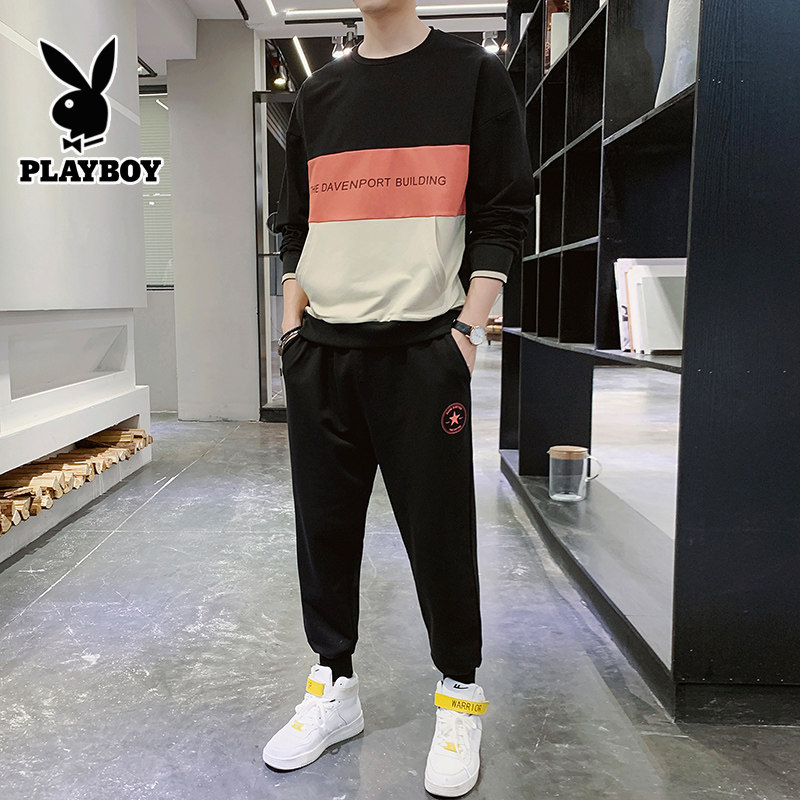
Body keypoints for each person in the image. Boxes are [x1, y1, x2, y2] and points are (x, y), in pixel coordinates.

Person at [262, 1, 534, 795]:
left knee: (440, 532)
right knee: (323, 530)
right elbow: (296, 226)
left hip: (425, 352)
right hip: (323, 352)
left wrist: (468, 332)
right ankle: (333, 684)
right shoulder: (318, 96)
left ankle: (460, 694)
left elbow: (503, 211)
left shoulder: (472, 76)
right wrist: (291, 329)